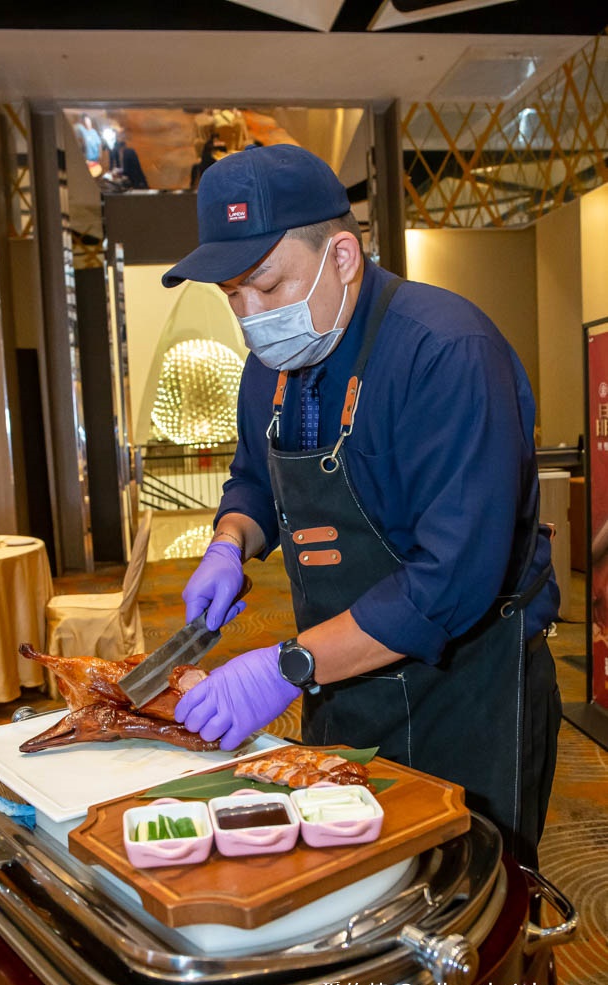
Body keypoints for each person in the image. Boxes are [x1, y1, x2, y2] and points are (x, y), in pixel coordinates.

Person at [161, 143, 561, 866]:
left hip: (468, 686)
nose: (250, 318)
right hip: (339, 674)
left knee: (470, 907)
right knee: (353, 886)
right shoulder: (269, 368)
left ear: (341, 256)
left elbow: (450, 584)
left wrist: (278, 670)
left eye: (267, 286)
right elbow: (253, 478)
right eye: (231, 296)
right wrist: (230, 542)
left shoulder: (444, 352)